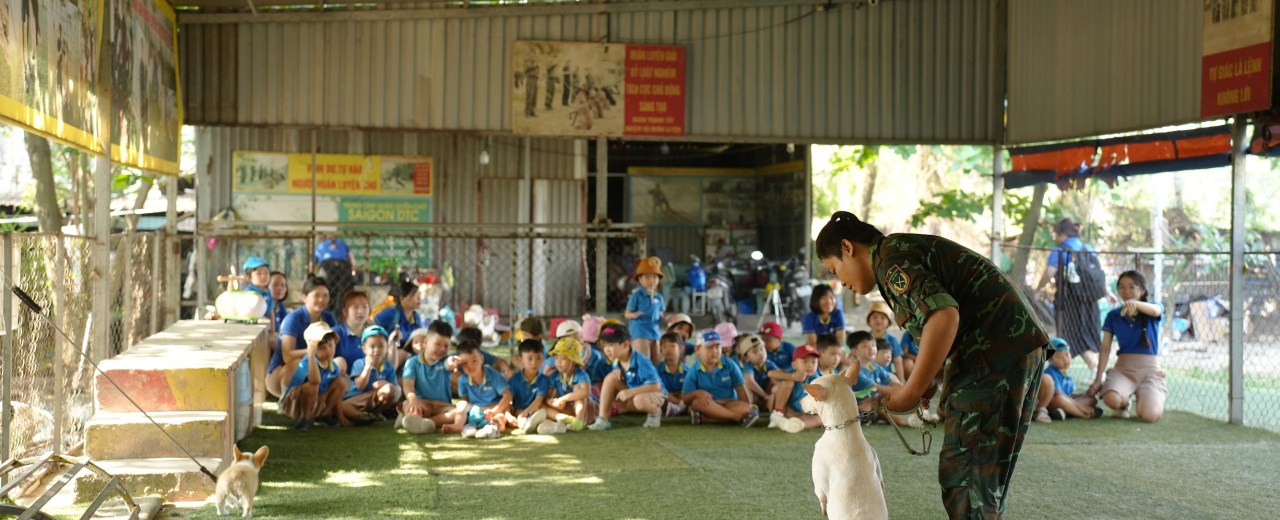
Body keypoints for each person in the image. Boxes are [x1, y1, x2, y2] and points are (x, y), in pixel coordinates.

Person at [816, 210, 1050, 519]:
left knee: (966, 480)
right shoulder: (897, 253)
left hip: (994, 353)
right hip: (1009, 348)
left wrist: (911, 391)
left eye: (835, 270)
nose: (840, 282)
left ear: (848, 247)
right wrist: (934, 377)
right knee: (982, 481)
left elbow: (943, 316)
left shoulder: (891, 260)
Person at [1086, 271, 1166, 423]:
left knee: (1149, 416)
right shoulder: (1113, 316)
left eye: (1132, 287)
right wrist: (1098, 379)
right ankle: (1124, 403)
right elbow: (1105, 348)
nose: (1126, 291)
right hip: (1124, 370)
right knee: (1111, 399)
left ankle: (1148, 397)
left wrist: (1135, 304)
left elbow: (1156, 311)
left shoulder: (1153, 308)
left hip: (1150, 371)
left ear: (1142, 290)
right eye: (1121, 287)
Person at [1036, 217, 1113, 371]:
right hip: (1090, 302)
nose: (1055, 238)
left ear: (1063, 234)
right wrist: (1108, 292)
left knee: (1073, 337)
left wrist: (1037, 290)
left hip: (1069, 303)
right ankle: (1096, 373)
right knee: (1085, 337)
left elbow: (1049, 272)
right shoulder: (1087, 248)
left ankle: (1096, 372)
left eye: (1056, 234)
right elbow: (1097, 272)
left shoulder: (1060, 251)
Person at [279, 322, 375, 430]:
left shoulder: (332, 365)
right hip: (294, 403)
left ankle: (324, 415)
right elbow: (315, 381)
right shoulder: (308, 361)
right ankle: (304, 418)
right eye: (322, 348)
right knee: (312, 386)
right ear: (313, 349)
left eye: (330, 345)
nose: (328, 351)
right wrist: (311, 355)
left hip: (317, 401)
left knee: (340, 382)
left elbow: (337, 396)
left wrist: (341, 417)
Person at [267, 277, 337, 399]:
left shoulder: (329, 318)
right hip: (280, 375)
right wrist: (313, 351)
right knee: (298, 364)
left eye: (325, 295)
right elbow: (287, 356)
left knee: (337, 366)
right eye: (316, 295)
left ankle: (321, 407)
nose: (321, 300)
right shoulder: (293, 319)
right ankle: (286, 402)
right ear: (304, 297)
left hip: (313, 369)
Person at [589, 323, 665, 430]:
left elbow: (656, 386)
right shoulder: (616, 360)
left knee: (639, 400)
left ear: (625, 345)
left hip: (654, 395)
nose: (606, 350)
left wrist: (630, 392)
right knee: (610, 377)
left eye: (610, 345)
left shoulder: (641, 361)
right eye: (604, 345)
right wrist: (616, 370)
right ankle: (602, 419)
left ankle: (655, 412)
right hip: (633, 395)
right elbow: (615, 371)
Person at [398, 320, 466, 435]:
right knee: (408, 404)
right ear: (425, 343)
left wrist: (452, 362)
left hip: (442, 406)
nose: (442, 349)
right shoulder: (412, 362)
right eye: (437, 344)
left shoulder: (446, 360)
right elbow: (408, 385)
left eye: (446, 346)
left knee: (460, 411)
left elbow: (448, 363)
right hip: (422, 404)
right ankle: (414, 419)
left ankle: (426, 422)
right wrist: (413, 399)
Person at [682, 329, 758, 427]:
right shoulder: (694, 370)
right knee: (696, 403)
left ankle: (707, 419)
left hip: (729, 403)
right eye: (709, 347)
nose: (714, 351)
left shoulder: (730, 364)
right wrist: (697, 393)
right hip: (709, 405)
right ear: (697, 349)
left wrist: (748, 408)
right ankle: (736, 417)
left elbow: (741, 390)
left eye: (717, 346)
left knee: (746, 408)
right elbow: (685, 399)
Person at [455, 339, 512, 439]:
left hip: (495, 409)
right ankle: (468, 428)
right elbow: (465, 400)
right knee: (463, 408)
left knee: (499, 418)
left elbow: (508, 395)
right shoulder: (462, 380)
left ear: (481, 359)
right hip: (476, 410)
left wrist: (494, 411)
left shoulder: (493, 375)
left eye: (474, 360)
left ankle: (492, 429)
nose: (470, 366)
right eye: (465, 363)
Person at [342, 325, 402, 418]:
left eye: (381, 346)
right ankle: (363, 416)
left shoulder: (389, 367)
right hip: (358, 397)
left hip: (377, 397)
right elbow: (360, 386)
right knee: (341, 406)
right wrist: (368, 367)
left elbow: (393, 391)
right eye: (372, 346)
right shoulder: (359, 363)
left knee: (390, 389)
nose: (377, 350)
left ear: (387, 348)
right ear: (364, 349)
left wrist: (385, 384)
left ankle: (376, 413)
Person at [1035, 338, 1098, 422]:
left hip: (1068, 401)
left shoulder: (1067, 372)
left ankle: (1064, 412)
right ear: (1050, 360)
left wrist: (1084, 394)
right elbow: (1059, 395)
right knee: (1060, 400)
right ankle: (1083, 414)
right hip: (1054, 402)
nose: (1065, 359)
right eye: (1059, 357)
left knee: (1091, 399)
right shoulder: (1050, 372)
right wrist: (1081, 408)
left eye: (1067, 355)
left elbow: (1071, 394)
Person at [543, 336, 597, 433]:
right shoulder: (555, 375)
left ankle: (579, 421)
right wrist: (551, 401)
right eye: (556, 358)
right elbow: (548, 395)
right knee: (542, 405)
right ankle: (562, 418)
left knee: (579, 392)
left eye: (563, 358)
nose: (558, 362)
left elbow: (585, 392)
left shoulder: (580, 374)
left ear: (574, 361)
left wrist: (564, 398)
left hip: (584, 410)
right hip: (566, 409)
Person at [505, 339, 551, 434]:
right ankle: (526, 425)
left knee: (542, 411)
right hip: (519, 410)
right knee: (519, 416)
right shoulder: (514, 380)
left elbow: (538, 400)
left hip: (536, 408)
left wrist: (526, 413)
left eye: (538, 358)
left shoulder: (544, 380)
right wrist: (509, 415)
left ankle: (547, 426)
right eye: (530, 359)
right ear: (521, 360)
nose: (534, 363)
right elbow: (507, 401)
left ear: (543, 359)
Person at [772, 345, 821, 433]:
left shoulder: (817, 379)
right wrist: (792, 376)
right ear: (794, 365)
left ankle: (798, 425)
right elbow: (771, 373)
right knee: (786, 383)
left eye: (813, 362)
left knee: (819, 419)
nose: (810, 365)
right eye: (805, 361)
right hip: (787, 410)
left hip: (803, 414)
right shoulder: (792, 372)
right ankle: (777, 415)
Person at [626, 256, 666, 363]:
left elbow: (661, 312)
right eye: (647, 277)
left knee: (657, 360)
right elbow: (627, 313)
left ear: (659, 279)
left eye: (654, 277)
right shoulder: (637, 296)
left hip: (655, 331)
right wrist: (634, 315)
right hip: (640, 331)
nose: (651, 280)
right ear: (640, 279)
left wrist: (663, 317)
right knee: (644, 360)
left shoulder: (659, 297)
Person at [374, 280, 426, 351]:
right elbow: (373, 323)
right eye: (414, 295)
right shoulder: (392, 313)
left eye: (419, 295)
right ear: (402, 298)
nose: (419, 299)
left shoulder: (415, 317)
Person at [737, 334, 776, 414]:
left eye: (762, 349)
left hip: (766, 395)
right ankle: (751, 410)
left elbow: (779, 374)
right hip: (756, 397)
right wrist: (765, 395)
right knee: (747, 386)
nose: (760, 353)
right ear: (746, 357)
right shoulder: (748, 366)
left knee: (775, 378)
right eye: (755, 352)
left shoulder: (769, 364)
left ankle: (773, 408)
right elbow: (750, 382)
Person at [867, 301, 906, 382]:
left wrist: (901, 380)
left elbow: (898, 362)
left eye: (883, 318)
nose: (878, 320)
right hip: (867, 375)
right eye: (874, 317)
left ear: (888, 323)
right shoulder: (864, 339)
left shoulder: (892, 340)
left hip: (885, 377)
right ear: (869, 321)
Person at [331, 291, 372, 369]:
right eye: (355, 307)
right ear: (345, 311)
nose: (360, 311)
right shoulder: (335, 333)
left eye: (364, 307)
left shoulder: (373, 333)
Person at [656, 332, 688, 416]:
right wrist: (675, 400)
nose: (668, 349)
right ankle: (676, 408)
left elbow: (688, 389)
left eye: (672, 346)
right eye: (664, 347)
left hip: (682, 399)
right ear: (661, 351)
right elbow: (659, 389)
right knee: (656, 394)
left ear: (681, 349)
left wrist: (681, 396)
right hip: (666, 400)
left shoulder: (688, 371)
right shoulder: (656, 370)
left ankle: (678, 409)